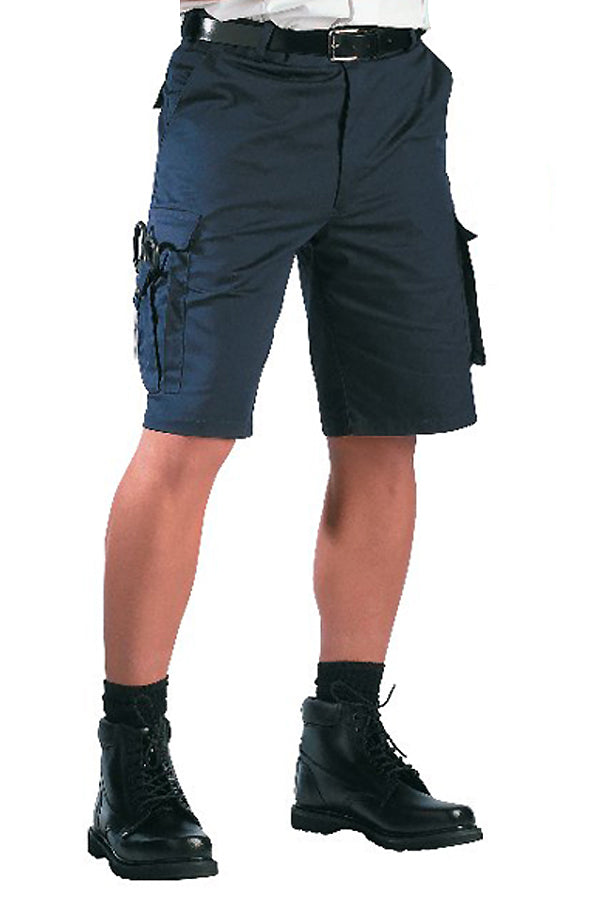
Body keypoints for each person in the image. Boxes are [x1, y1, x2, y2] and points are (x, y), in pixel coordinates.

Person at [87, 1, 486, 880]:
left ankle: (343, 744)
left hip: (397, 97)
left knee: (384, 429)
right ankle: (131, 760)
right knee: (187, 429)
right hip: (242, 89)